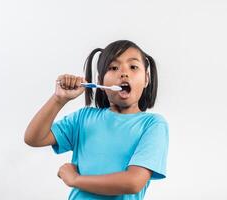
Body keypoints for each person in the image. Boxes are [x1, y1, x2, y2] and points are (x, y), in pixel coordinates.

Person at [24, 40, 169, 199]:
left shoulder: (153, 125)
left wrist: (76, 180)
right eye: (113, 68)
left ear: (146, 79)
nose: (123, 73)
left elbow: (133, 182)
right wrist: (59, 99)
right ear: (100, 81)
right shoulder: (83, 118)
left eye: (133, 67)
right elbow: (34, 138)